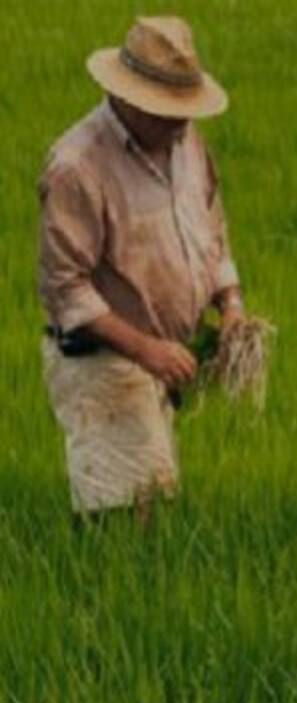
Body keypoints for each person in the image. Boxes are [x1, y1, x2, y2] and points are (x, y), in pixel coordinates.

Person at [37, 16, 244, 518]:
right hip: (104, 362)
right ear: (127, 98)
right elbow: (67, 291)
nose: (179, 122)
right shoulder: (78, 166)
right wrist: (146, 349)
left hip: (163, 363)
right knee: (128, 513)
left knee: (152, 501)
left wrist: (231, 304)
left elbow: (211, 229)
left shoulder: (186, 141)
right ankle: (99, 594)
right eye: (166, 112)